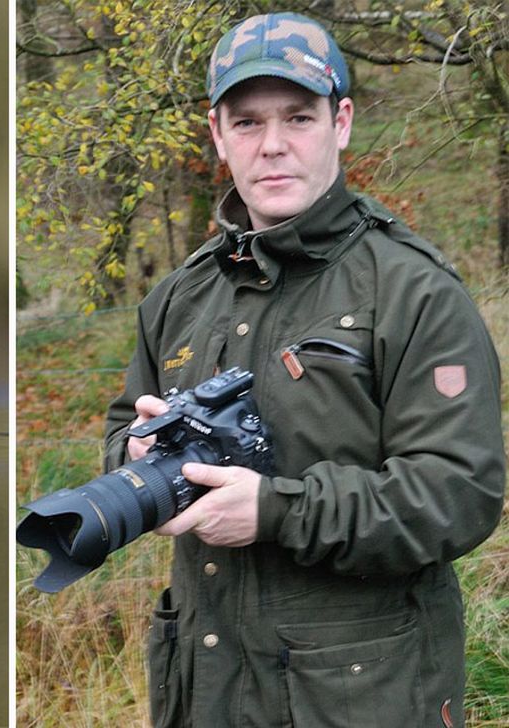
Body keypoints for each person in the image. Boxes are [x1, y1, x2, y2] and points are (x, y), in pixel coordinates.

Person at [102, 12, 505, 728]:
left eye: (298, 117)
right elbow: (121, 422)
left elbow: (458, 494)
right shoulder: (179, 296)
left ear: (341, 122)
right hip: (203, 690)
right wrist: (132, 454)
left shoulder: (413, 292)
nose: (274, 146)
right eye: (248, 123)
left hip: (359, 700)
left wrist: (274, 510)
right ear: (217, 135)